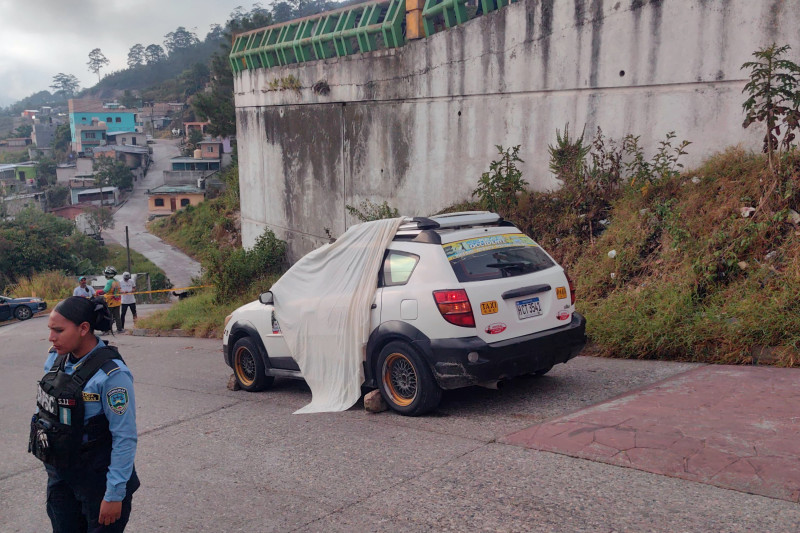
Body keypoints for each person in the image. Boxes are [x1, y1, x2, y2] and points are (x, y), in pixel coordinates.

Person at [29, 296, 140, 532]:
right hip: (61, 474)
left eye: (58, 330)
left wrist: (114, 495)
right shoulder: (55, 359)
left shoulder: (112, 375)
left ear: (83, 328)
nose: (51, 337)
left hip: (98, 479)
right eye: (50, 330)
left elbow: (125, 437)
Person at [103, 266, 123, 333]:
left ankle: (107, 330)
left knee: (108, 316)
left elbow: (105, 290)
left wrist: (97, 292)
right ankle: (119, 329)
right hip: (117, 301)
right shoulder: (117, 281)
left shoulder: (109, 282)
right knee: (117, 316)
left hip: (110, 301)